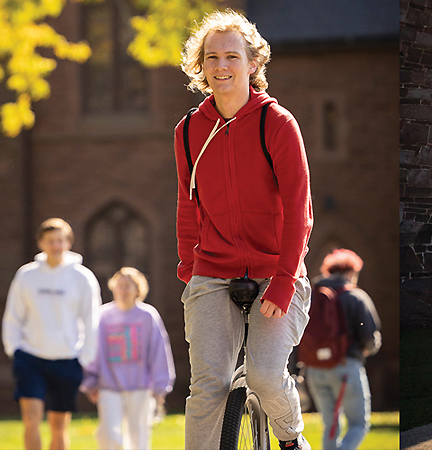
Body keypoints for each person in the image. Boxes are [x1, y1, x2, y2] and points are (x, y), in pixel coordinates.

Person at [173, 10, 315, 450]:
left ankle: (291, 439)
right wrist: (189, 268)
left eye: (232, 56)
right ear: (201, 66)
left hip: (278, 272)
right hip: (213, 272)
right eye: (212, 57)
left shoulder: (277, 123)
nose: (221, 66)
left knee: (268, 376)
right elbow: (187, 203)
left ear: (253, 64)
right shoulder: (188, 131)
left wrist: (286, 282)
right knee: (207, 388)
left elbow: (299, 209)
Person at [2, 218, 99, 450]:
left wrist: (84, 357)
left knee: (59, 426)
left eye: (60, 240)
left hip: (67, 360)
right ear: (41, 243)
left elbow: (91, 319)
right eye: (50, 241)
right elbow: (13, 316)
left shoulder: (82, 277)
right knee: (31, 420)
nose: (56, 245)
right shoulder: (27, 275)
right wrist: (14, 349)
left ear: (68, 243)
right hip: (30, 359)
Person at [80, 267, 174, 450]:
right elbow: (92, 349)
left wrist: (161, 386)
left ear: (138, 290)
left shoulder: (148, 315)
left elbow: (159, 351)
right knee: (109, 435)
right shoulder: (102, 315)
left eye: (128, 286)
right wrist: (90, 381)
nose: (123, 291)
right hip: (108, 386)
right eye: (119, 286)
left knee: (138, 436)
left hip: (140, 387)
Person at [299, 250, 380, 450]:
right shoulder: (355, 296)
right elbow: (369, 335)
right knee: (358, 423)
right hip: (345, 367)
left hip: (314, 369)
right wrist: (369, 349)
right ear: (351, 271)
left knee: (332, 425)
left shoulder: (311, 297)